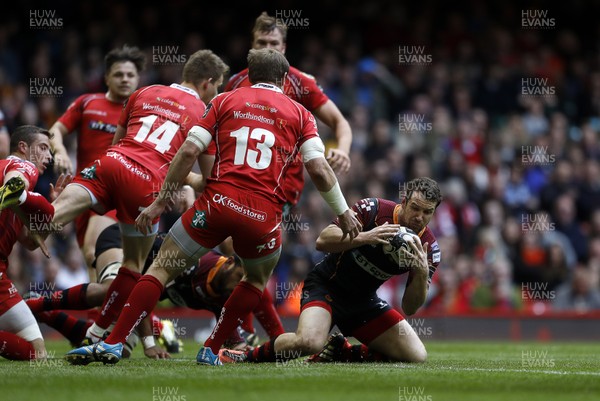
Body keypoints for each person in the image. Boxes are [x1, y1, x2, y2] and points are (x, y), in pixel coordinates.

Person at [64, 48, 361, 366]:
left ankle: (112, 342)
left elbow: (189, 150)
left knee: (161, 269)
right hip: (262, 215)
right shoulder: (301, 114)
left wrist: (161, 201)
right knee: (253, 280)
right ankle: (211, 348)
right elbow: (318, 169)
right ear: (284, 78)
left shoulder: (224, 100)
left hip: (216, 204)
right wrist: (343, 213)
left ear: (248, 73)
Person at [46, 49, 229, 347]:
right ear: (208, 83)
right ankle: (104, 333)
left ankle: (104, 330)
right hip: (145, 186)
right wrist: (179, 182)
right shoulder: (205, 113)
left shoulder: (143, 92)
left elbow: (116, 145)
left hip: (107, 167)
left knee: (46, 221)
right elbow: (207, 178)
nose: (216, 93)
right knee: (134, 265)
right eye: (218, 86)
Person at [221, 177, 442, 364]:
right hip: (327, 286)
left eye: (427, 212)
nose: (419, 217)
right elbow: (322, 240)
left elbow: (410, 308)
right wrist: (366, 236)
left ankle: (344, 351)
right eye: (415, 208)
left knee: (417, 355)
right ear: (403, 201)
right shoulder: (372, 210)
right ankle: (245, 356)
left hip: (364, 302)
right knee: (309, 342)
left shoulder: (429, 249)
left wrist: (421, 274)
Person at [28, 223, 284, 357]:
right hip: (124, 241)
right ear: (229, 263)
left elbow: (233, 341)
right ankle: (34, 305)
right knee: (113, 288)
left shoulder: (225, 296)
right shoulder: (193, 262)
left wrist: (245, 349)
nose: (242, 285)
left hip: (140, 287)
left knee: (123, 352)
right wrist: (150, 343)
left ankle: (44, 315)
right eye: (241, 276)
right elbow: (138, 287)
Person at [224, 11, 352, 207]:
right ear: (252, 45)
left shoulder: (300, 82)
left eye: (274, 43)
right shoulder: (235, 83)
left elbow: (339, 122)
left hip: (281, 187)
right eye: (261, 42)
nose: (268, 48)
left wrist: (342, 150)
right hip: (237, 178)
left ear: (283, 48)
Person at [49, 45, 146, 276]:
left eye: (130, 75)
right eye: (118, 74)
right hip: (83, 188)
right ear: (106, 78)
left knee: (96, 251)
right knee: (90, 259)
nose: (125, 79)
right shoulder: (87, 103)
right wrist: (60, 151)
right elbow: (55, 130)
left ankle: (124, 308)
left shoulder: (143, 111)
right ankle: (104, 311)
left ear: (138, 79)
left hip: (118, 193)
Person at [0, 125, 62, 360]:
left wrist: (51, 208)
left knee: (36, 353)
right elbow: (16, 178)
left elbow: (29, 242)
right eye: (43, 148)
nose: (48, 156)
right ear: (23, 148)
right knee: (38, 353)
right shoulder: (21, 165)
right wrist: (21, 191)